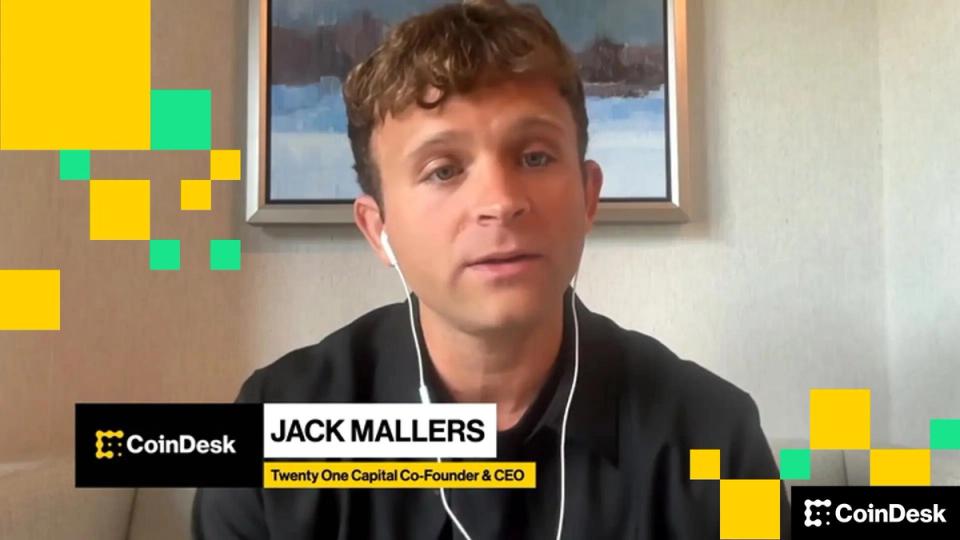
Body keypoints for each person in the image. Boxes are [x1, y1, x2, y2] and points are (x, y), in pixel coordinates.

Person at [193, 1, 790, 538]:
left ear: (588, 198)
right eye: (444, 170)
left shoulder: (713, 436)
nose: (501, 201)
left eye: (535, 156)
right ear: (379, 229)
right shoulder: (277, 427)